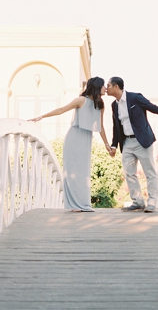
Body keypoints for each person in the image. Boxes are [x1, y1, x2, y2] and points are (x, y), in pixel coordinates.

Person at [29, 77, 111, 212]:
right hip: (74, 137)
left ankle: (83, 204)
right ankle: (73, 205)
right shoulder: (81, 100)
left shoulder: (100, 105)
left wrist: (107, 144)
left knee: (83, 173)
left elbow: (100, 126)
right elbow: (61, 109)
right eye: (103, 85)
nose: (105, 88)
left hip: (86, 139)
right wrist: (41, 117)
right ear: (96, 86)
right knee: (72, 171)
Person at [106, 76, 158, 213]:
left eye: (109, 86)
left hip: (142, 141)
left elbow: (153, 108)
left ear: (116, 86)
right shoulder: (114, 105)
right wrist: (113, 145)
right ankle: (138, 201)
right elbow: (116, 126)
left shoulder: (135, 98)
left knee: (150, 172)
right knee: (129, 173)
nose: (106, 88)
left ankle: (152, 202)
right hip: (127, 143)